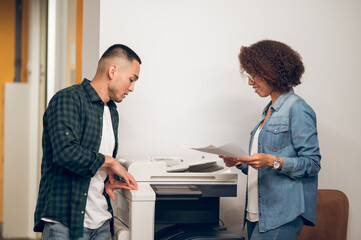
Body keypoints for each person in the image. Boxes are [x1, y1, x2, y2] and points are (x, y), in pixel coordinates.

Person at [34, 44, 141, 239]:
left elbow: (93, 162)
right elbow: (66, 153)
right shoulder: (68, 99)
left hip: (101, 222)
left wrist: (104, 181)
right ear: (113, 70)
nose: (132, 88)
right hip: (65, 225)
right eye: (131, 79)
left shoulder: (112, 112)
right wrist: (110, 162)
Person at [219, 40, 321, 240]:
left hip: (282, 214)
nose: (250, 82)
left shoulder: (297, 108)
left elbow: (313, 163)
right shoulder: (268, 111)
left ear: (272, 72)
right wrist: (241, 163)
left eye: (254, 75)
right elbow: (263, 166)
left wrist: (273, 161)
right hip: (257, 214)